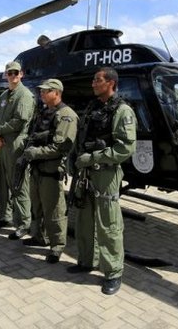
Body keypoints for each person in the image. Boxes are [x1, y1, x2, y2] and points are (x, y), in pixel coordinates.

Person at [67, 67, 137, 296]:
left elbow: (125, 148)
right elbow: (82, 136)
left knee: (108, 224)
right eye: (94, 80)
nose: (93, 84)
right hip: (86, 171)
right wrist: (75, 159)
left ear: (111, 83)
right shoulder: (93, 107)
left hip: (105, 172)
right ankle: (87, 261)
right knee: (85, 219)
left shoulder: (122, 111)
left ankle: (113, 272)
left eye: (98, 80)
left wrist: (94, 157)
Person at [21, 79, 78, 264]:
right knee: (36, 206)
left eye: (46, 91)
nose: (42, 94)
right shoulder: (45, 112)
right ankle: (39, 236)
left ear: (57, 92)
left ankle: (57, 246)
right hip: (37, 169)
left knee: (54, 211)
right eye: (42, 91)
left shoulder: (66, 115)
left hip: (51, 171)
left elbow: (60, 148)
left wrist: (35, 153)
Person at [0, 61, 35, 241]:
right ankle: (3, 216)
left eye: (16, 72)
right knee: (1, 182)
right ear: (6, 75)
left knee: (18, 184)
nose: (13, 75)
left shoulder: (24, 95)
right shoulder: (4, 96)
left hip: (16, 144)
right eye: (9, 73)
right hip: (3, 145)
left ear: (21, 74)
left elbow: (20, 121)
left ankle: (24, 224)